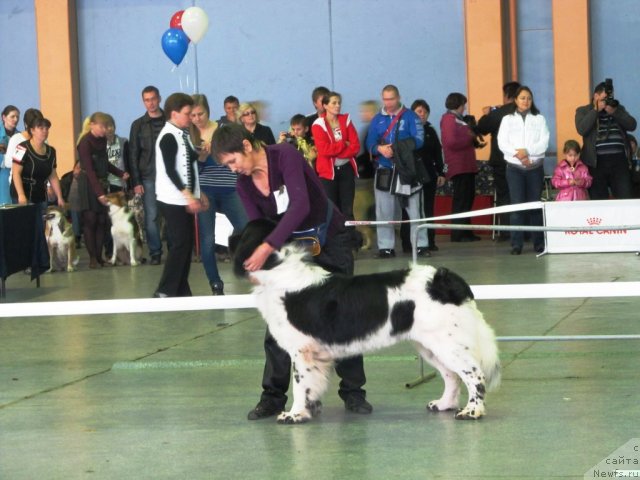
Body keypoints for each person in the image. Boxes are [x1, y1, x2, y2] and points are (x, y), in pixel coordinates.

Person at [211, 123, 371, 420]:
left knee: (342, 316)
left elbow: (300, 206)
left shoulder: (285, 156)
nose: (233, 169)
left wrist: (265, 247)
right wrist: (260, 264)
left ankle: (353, 392)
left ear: (246, 146)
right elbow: (260, 227)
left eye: (232, 161)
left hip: (329, 242)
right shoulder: (244, 183)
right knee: (279, 324)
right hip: (289, 251)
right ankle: (272, 396)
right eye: (227, 166)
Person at [190, 93, 247, 296]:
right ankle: (215, 283)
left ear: (208, 111)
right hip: (205, 191)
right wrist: (202, 159)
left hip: (230, 188)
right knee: (207, 239)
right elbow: (189, 171)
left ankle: (255, 270)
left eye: (201, 114)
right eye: (193, 115)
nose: (197, 119)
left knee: (247, 228)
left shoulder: (222, 129)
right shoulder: (189, 136)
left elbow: (235, 155)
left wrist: (213, 154)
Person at [365, 84, 429, 258]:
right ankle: (386, 247)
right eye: (385, 99)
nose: (388, 102)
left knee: (415, 210)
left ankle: (421, 245)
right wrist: (379, 149)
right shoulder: (377, 119)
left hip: (407, 171)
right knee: (383, 210)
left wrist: (397, 148)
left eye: (391, 99)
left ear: (398, 97)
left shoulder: (410, 116)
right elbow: (369, 143)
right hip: (384, 169)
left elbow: (419, 140)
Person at [153, 93, 206, 298]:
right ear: (174, 114)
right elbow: (170, 170)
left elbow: (189, 162)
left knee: (185, 244)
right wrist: (188, 195)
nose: (191, 118)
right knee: (179, 244)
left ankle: (181, 288)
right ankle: (165, 289)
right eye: (187, 114)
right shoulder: (168, 136)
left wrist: (202, 154)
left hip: (182, 198)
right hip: (172, 199)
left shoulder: (181, 134)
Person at [71, 112, 129, 268]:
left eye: (107, 126)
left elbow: (105, 163)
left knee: (102, 222)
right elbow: (89, 170)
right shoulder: (84, 143)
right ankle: (92, 259)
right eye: (102, 126)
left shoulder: (102, 140)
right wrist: (100, 193)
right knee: (90, 220)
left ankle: (99, 256)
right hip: (88, 184)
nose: (105, 129)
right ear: (92, 125)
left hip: (101, 183)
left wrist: (120, 173)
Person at [497, 86, 550, 255]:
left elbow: (544, 142)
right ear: (516, 100)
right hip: (514, 168)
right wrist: (518, 154)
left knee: (535, 207)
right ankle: (516, 244)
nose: (526, 101)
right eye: (522, 98)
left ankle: (539, 243)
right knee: (517, 206)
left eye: (529, 98)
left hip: (535, 168)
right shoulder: (507, 119)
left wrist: (527, 151)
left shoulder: (539, 119)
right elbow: (502, 142)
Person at [10, 117, 65, 273]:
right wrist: (21, 195)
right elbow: (16, 173)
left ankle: (38, 261)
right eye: (40, 128)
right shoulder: (22, 148)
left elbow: (53, 175)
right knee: (25, 228)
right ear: (32, 130)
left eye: (46, 128)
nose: (44, 131)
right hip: (22, 190)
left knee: (39, 228)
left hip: (40, 193)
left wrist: (60, 196)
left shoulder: (51, 151)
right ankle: (25, 263)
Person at [575, 81, 637, 200]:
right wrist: (596, 110)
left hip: (619, 161)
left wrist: (615, 112)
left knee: (625, 199)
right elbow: (581, 129)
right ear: (596, 96)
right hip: (596, 162)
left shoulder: (618, 109)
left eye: (610, 97)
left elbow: (632, 125)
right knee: (599, 201)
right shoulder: (583, 110)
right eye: (605, 97)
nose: (608, 100)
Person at [477, 81, 521, 238]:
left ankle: (507, 231)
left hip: (501, 161)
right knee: (521, 195)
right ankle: (525, 231)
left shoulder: (499, 113)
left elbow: (481, 127)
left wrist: (487, 113)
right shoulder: (525, 112)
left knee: (504, 196)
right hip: (520, 160)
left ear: (507, 95)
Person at [129, 86, 165, 265]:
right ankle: (155, 252)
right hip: (148, 176)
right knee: (151, 216)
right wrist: (136, 181)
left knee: (171, 215)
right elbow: (133, 154)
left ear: (159, 98)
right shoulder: (138, 125)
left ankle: (175, 250)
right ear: (143, 102)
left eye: (153, 99)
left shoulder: (170, 121)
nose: (150, 103)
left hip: (169, 177)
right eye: (146, 100)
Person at [311, 91, 360, 224]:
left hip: (346, 169)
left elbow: (355, 146)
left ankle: (350, 241)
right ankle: (336, 242)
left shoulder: (346, 120)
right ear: (325, 105)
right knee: (332, 209)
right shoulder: (318, 124)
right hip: (328, 173)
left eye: (339, 103)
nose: (338, 106)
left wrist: (337, 151)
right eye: (334, 103)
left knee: (348, 209)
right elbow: (324, 150)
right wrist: (344, 144)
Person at [440, 92, 481, 243]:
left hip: (466, 165)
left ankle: (466, 231)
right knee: (461, 200)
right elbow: (451, 142)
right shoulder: (449, 119)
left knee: (467, 199)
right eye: (463, 105)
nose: (464, 108)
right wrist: (470, 136)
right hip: (458, 166)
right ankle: (458, 234)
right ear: (458, 105)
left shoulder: (458, 119)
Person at [411, 99, 445, 250]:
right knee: (413, 211)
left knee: (428, 209)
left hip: (430, 176)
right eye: (419, 111)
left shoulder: (431, 131)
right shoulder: (408, 131)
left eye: (425, 111)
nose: (422, 114)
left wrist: (441, 172)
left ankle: (430, 241)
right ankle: (410, 243)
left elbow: (438, 153)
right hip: (413, 175)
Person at [105, 114, 129, 193]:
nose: (109, 129)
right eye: (106, 126)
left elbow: (129, 162)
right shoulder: (99, 145)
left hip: (120, 184)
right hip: (106, 184)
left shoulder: (123, 142)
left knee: (119, 206)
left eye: (111, 125)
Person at [1, 105, 20, 205]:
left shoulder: (20, 136)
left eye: (17, 117)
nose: (16, 119)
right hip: (2, 176)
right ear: (4, 117)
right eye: (12, 116)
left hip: (16, 176)